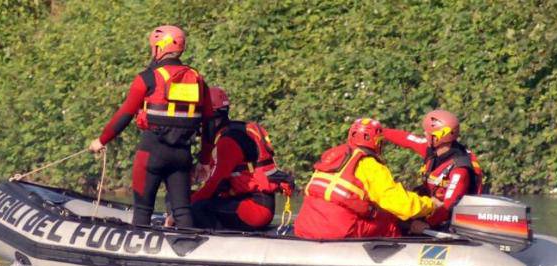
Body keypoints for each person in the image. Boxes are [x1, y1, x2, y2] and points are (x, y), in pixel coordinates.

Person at [88, 25, 213, 228]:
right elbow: (209, 123)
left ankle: (138, 253)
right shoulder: (198, 79)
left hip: (151, 154)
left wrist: (101, 141)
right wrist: (205, 160)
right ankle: (186, 251)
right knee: (182, 210)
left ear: (159, 48)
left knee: (143, 209)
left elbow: (124, 115)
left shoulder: (146, 78)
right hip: (182, 155)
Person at [294, 118, 441, 239]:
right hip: (338, 231)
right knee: (391, 220)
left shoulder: (332, 157)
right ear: (377, 142)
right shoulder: (371, 166)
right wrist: (430, 205)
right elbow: (401, 205)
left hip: (304, 226)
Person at [190, 87, 294, 231]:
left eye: (201, 120)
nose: (200, 126)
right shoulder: (233, 132)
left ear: (212, 117)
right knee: (190, 200)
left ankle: (214, 240)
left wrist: (184, 209)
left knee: (197, 207)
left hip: (254, 209)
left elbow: (214, 184)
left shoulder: (228, 141)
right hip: (248, 202)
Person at [382, 109, 483, 233]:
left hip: (447, 222)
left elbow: (448, 207)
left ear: (437, 138)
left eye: (427, 132)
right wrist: (379, 131)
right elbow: (407, 139)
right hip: (432, 208)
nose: (424, 134)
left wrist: (425, 223)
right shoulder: (432, 148)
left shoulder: (460, 170)